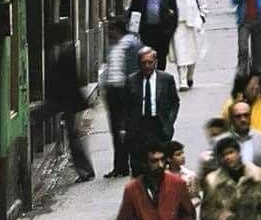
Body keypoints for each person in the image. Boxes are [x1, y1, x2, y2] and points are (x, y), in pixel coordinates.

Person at [124, 47, 180, 177]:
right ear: (139, 64)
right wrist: (126, 127)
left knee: (161, 166)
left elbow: (175, 102)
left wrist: (169, 122)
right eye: (143, 63)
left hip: (159, 126)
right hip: (139, 127)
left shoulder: (166, 79)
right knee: (139, 168)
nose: (147, 66)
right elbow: (125, 106)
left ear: (156, 62)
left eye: (150, 62)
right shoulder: (131, 81)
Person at [217, 100, 261, 209]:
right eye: (238, 116)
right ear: (231, 119)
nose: (243, 119)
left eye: (246, 115)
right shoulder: (221, 142)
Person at [47, 39, 95, 184]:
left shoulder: (66, 53)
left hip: (70, 103)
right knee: (75, 137)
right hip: (70, 102)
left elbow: (69, 80)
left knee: (74, 138)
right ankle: (85, 169)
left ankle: (85, 170)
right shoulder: (66, 51)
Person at [101, 15, 142, 179]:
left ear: (118, 30)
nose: (109, 33)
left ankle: (130, 164)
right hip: (113, 92)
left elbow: (134, 70)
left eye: (111, 29)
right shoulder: (113, 47)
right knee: (116, 130)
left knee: (127, 130)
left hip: (125, 91)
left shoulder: (131, 45)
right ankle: (119, 166)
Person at [127, 0, 178, 70]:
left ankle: (159, 76)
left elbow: (175, 12)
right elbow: (133, 10)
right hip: (147, 30)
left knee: (162, 56)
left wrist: (170, 30)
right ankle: (149, 74)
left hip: (162, 31)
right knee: (147, 55)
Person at [171, 0, 207, 91]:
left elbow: (203, 7)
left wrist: (201, 19)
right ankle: (182, 81)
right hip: (179, 27)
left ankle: (190, 76)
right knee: (180, 54)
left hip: (192, 28)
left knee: (192, 54)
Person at [222, 70, 261, 137]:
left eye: (258, 86)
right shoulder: (230, 105)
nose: (256, 88)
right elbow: (223, 129)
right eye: (252, 87)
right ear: (243, 87)